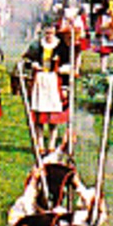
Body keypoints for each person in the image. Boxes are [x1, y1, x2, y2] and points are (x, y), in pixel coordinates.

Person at [23, 22, 73, 151]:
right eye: (47, 33)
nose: (49, 35)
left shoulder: (62, 47)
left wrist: (65, 86)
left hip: (54, 82)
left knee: (53, 117)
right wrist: (33, 65)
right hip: (39, 81)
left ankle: (51, 144)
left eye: (51, 32)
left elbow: (68, 65)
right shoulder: (36, 45)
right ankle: (39, 143)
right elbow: (26, 61)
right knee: (39, 116)